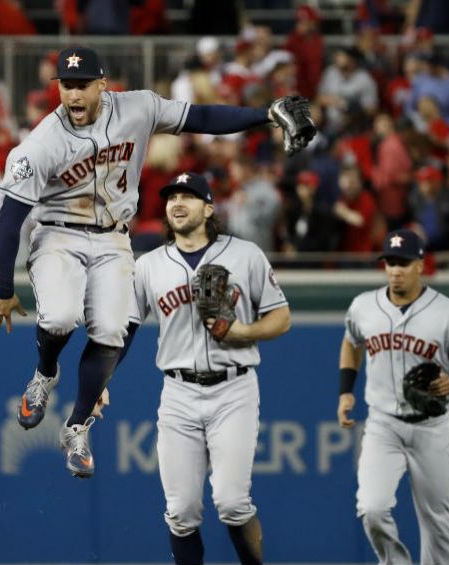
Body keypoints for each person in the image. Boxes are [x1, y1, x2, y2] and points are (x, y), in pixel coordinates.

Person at [0, 45, 314, 478]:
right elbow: (10, 220)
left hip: (115, 238)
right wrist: (4, 289)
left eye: (83, 85)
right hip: (59, 233)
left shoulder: (138, 107)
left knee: (112, 333)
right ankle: (44, 375)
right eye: (67, 85)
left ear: (103, 84)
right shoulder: (42, 143)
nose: (74, 95)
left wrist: (264, 115)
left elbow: (201, 118)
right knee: (61, 317)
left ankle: (76, 426)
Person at [120, 172, 290, 565]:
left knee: (232, 502)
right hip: (178, 391)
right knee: (181, 512)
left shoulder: (245, 255)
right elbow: (125, 328)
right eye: (172, 197)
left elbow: (281, 318)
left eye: (189, 196)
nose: (177, 203)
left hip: (234, 388)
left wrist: (242, 331)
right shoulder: (149, 266)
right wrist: (101, 382)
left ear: (209, 208)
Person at [338, 228, 449, 564]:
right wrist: (345, 391)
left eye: (403, 263)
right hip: (383, 424)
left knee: (438, 522)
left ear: (421, 264)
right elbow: (351, 341)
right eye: (390, 262)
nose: (395, 270)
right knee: (372, 509)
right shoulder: (364, 306)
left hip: (432, 425)